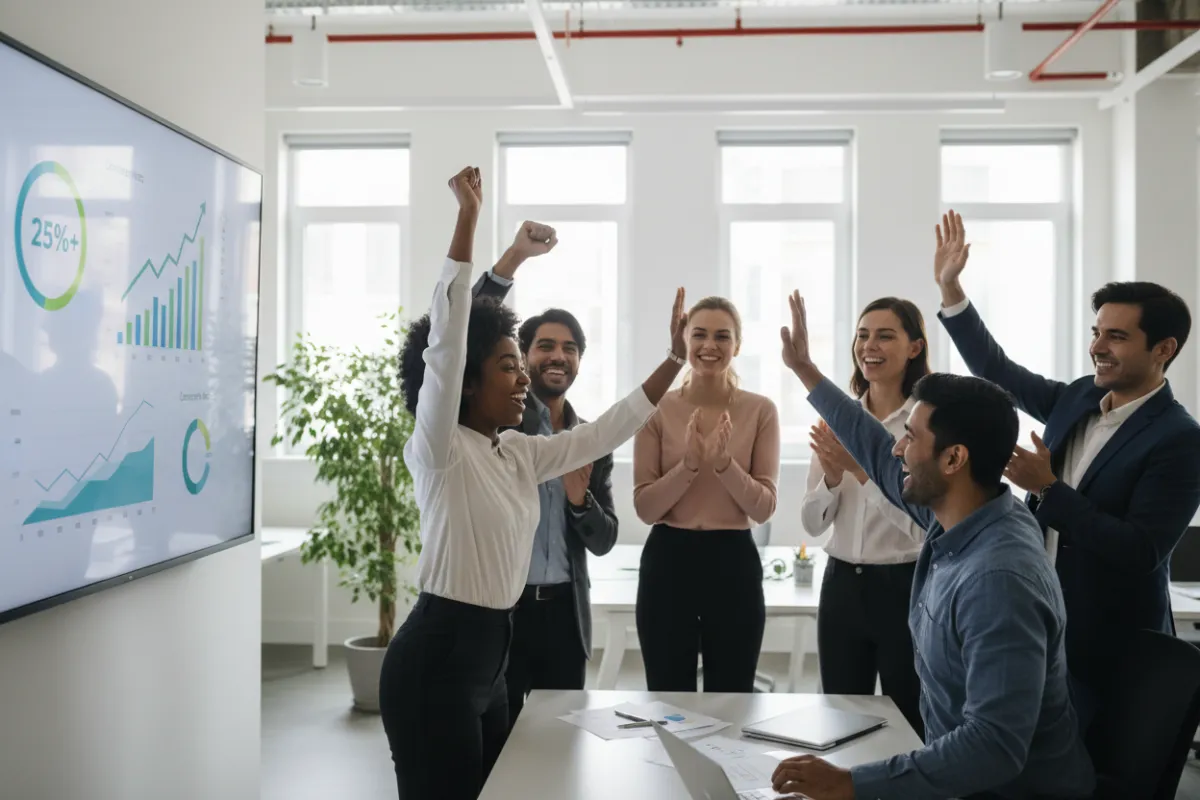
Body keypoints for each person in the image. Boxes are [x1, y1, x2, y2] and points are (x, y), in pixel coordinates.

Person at [380, 166, 690, 800]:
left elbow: (602, 433)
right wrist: (467, 219)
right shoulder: (438, 448)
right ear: (467, 381)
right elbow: (446, 340)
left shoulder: (519, 450)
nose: (524, 378)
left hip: (492, 655)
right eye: (508, 366)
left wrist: (674, 362)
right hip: (435, 659)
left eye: (521, 366)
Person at [772, 291, 1095, 800]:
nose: (897, 446)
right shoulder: (963, 514)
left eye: (911, 438)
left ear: (953, 459)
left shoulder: (998, 580)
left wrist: (854, 784)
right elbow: (873, 447)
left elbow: (993, 747)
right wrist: (806, 370)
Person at [932, 211, 1200, 731]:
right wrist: (951, 289)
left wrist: (1049, 489)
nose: (1098, 346)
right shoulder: (1080, 395)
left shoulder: (1181, 439)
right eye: (1097, 332)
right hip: (1039, 620)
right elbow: (996, 370)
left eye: (1117, 336)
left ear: (1163, 350)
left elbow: (1140, 550)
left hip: (1112, 642)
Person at [472, 267, 619, 727]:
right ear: (523, 357)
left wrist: (580, 502)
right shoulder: (499, 428)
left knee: (561, 742)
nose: (559, 356)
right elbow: (469, 327)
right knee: (502, 741)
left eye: (570, 349)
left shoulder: (590, 438)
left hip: (565, 616)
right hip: (504, 612)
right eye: (546, 346)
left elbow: (604, 539)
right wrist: (508, 264)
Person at [632, 296, 780, 693]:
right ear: (683, 339)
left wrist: (723, 464)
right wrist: (690, 465)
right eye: (699, 334)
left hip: (733, 562)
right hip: (668, 559)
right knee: (667, 696)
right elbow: (645, 508)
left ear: (738, 345)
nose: (709, 345)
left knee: (731, 695)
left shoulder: (761, 410)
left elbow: (763, 508)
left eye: (722, 336)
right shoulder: (656, 408)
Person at [801, 297, 930, 740]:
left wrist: (862, 472)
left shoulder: (926, 422)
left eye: (885, 335)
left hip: (905, 586)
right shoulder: (839, 417)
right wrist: (833, 480)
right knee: (839, 720)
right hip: (841, 587)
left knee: (910, 718)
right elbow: (813, 524)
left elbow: (923, 525)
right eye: (862, 335)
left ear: (914, 347)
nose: (869, 345)